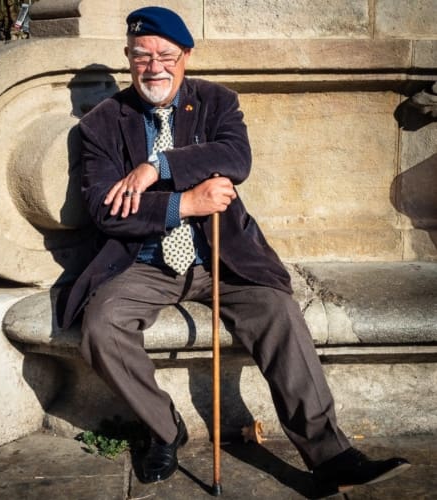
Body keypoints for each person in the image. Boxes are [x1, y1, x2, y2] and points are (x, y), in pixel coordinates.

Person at [62, 5, 410, 490]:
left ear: (185, 55)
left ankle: (331, 455)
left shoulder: (215, 101)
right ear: (127, 55)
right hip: (142, 262)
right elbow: (104, 208)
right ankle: (165, 429)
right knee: (101, 329)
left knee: (279, 313)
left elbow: (234, 157)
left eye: (166, 54)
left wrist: (157, 166)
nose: (154, 66)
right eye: (142, 55)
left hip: (221, 256)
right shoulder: (102, 123)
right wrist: (184, 202)